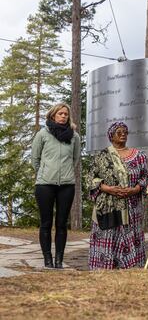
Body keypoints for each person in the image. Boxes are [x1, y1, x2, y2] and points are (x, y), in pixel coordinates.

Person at [88, 121, 148, 270]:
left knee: (130, 234)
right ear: (111, 136)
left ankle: (132, 266)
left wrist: (135, 189)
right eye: (118, 132)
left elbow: (145, 177)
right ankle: (105, 267)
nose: (122, 134)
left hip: (131, 206)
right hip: (108, 206)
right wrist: (108, 188)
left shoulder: (139, 156)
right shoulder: (102, 156)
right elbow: (90, 178)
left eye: (125, 132)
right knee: (109, 234)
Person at [31, 103, 81, 269]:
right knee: (46, 223)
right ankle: (47, 259)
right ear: (53, 115)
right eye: (60, 113)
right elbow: (35, 159)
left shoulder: (74, 137)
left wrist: (66, 173)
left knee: (61, 224)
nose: (63, 116)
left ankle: (59, 260)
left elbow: (75, 159)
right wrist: (44, 174)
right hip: (45, 185)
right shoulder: (42, 134)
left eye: (66, 114)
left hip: (66, 185)